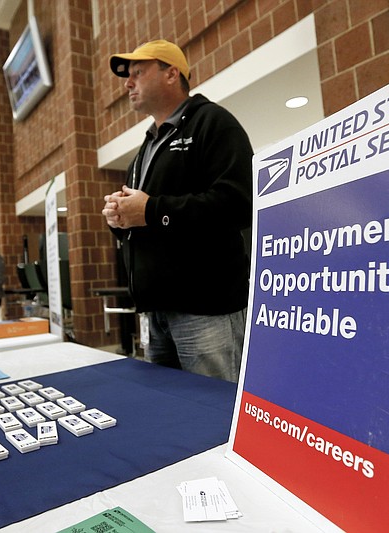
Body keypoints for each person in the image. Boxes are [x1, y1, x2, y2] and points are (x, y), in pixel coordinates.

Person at [102, 40, 253, 382]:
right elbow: (145, 221)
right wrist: (120, 219)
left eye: (138, 73)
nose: (128, 83)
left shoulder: (212, 123)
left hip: (206, 310)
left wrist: (152, 210)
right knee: (176, 416)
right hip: (157, 316)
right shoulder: (145, 150)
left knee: (216, 416)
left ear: (171, 74)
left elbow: (238, 204)